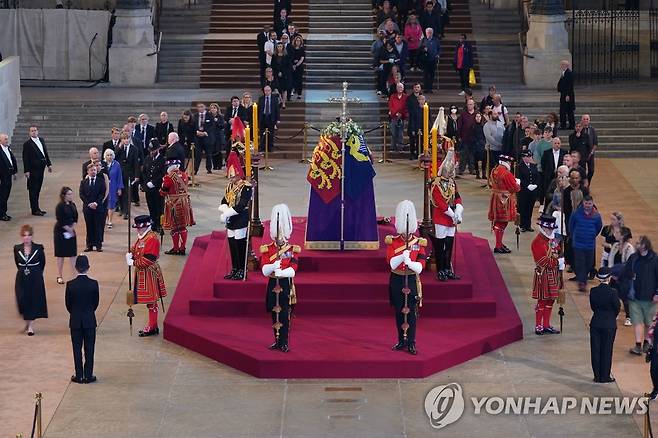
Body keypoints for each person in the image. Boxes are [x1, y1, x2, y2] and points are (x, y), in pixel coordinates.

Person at [386, 200, 427, 355]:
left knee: (411, 313)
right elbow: (390, 263)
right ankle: (401, 340)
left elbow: (421, 265)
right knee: (398, 311)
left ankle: (411, 341)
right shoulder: (393, 241)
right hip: (397, 280)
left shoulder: (418, 243)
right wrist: (401, 258)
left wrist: (410, 262)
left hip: (411, 279)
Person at [260, 204, 299, 352]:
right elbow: (264, 269)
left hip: (285, 284)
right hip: (272, 284)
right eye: (278, 235)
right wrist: (272, 267)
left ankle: (284, 342)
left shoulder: (292, 250)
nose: (280, 237)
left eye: (282, 235)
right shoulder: (267, 249)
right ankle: (276, 340)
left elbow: (294, 269)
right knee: (274, 314)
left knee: (284, 314)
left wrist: (282, 272)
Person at [126, 215, 167, 337]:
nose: (138, 230)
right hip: (142, 273)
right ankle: (153, 326)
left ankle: (152, 326)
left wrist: (133, 262)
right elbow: (135, 249)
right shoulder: (142, 238)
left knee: (152, 301)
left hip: (149, 273)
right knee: (150, 301)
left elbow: (149, 259)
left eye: (140, 227)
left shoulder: (152, 239)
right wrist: (130, 254)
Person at [618, 236, 658, 356]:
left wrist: (657, 293)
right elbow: (625, 272)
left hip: (650, 297)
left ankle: (647, 342)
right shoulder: (634, 258)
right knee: (637, 322)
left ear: (645, 245)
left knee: (648, 322)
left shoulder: (655, 260)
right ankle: (638, 345)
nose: (636, 244)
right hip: (634, 296)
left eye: (639, 243)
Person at [65, 255, 99, 384]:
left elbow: (68, 304)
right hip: (89, 320)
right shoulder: (93, 284)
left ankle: (79, 375)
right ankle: (88, 375)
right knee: (90, 349)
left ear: (76, 268)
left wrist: (75, 313)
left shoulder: (70, 285)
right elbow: (95, 303)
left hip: (75, 321)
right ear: (88, 268)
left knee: (76, 349)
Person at [430, 147, 463, 281]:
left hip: (451, 218)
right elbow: (440, 203)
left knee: (449, 245)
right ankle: (440, 270)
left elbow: (457, 197)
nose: (450, 175)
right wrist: (453, 214)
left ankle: (448, 269)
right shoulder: (435, 184)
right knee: (440, 246)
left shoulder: (452, 183)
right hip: (441, 218)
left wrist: (459, 211)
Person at [219, 158, 252, 280]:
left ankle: (242, 269)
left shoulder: (245, 187)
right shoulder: (229, 186)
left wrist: (227, 213)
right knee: (232, 244)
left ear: (238, 174)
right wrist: (224, 210)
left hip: (241, 218)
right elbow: (224, 201)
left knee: (240, 244)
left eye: (233, 176)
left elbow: (241, 205)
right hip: (231, 219)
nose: (231, 179)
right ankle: (235, 268)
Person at [531, 214, 564, 335]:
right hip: (543, 275)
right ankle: (538, 325)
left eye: (551, 228)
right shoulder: (537, 242)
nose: (550, 230)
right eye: (548, 228)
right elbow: (542, 261)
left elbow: (558, 251)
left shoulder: (552, 240)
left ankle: (546, 325)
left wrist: (563, 260)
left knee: (551, 301)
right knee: (542, 301)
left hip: (554, 274)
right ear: (543, 227)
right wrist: (557, 262)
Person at [14, 224, 48, 336]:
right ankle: (27, 322)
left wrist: (37, 273)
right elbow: (17, 263)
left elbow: (42, 263)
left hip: (35, 277)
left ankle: (30, 326)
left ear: (32, 236)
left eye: (28, 235)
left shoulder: (38, 248)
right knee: (22, 299)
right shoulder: (17, 248)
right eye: (24, 236)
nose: (26, 238)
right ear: (21, 237)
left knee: (33, 300)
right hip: (22, 277)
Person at [589, 267, 619, 383]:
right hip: (609, 324)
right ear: (609, 278)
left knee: (595, 349)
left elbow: (593, 307)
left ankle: (597, 375)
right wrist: (611, 315)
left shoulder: (593, 291)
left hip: (596, 322)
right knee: (607, 349)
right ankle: (605, 376)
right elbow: (617, 308)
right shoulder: (613, 293)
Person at [160, 159, 195, 255]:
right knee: (183, 227)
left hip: (174, 204)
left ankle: (176, 248)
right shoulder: (184, 175)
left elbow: (163, 192)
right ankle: (182, 248)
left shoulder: (168, 178)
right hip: (185, 203)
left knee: (175, 228)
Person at [569, 195, 602, 292]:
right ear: (583, 203)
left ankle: (583, 278)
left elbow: (598, 227)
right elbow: (571, 225)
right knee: (580, 264)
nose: (588, 205)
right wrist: (575, 235)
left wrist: (592, 235)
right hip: (578, 244)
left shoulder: (596, 216)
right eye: (586, 203)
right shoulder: (576, 213)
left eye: (590, 203)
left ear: (592, 203)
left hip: (590, 244)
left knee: (588, 264)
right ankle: (582, 282)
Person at [488, 155, 520, 254]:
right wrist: (518, 184)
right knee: (502, 222)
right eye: (509, 163)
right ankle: (498, 245)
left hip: (496, 198)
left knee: (498, 221)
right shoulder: (506, 173)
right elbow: (514, 188)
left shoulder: (494, 170)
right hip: (504, 200)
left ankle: (499, 243)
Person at [22, 126, 52, 216]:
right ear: (29, 133)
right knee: (33, 190)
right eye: (32, 131)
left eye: (35, 130)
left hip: (41, 169)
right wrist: (26, 170)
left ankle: (37, 208)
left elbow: (45, 153)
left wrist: (49, 164)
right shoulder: (27, 144)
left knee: (38, 189)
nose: (34, 132)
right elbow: (25, 158)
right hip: (33, 170)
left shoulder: (41, 140)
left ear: (37, 131)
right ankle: (34, 210)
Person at [609, 227, 634, 327]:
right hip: (614, 275)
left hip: (624, 277)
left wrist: (619, 275)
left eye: (618, 232)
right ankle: (616, 312)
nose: (615, 234)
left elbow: (629, 264)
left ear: (623, 235)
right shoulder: (615, 246)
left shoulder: (629, 248)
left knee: (625, 298)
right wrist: (611, 273)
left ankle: (629, 317)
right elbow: (611, 260)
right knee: (613, 295)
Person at [79, 163, 107, 252]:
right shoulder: (83, 182)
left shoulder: (100, 181)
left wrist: (95, 203)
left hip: (98, 208)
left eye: (95, 170)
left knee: (98, 226)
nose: (93, 172)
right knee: (89, 226)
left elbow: (102, 194)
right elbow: (82, 195)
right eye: (91, 170)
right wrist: (89, 204)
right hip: (88, 208)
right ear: (88, 172)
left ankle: (98, 245)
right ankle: (89, 245)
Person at [54, 187, 78, 284]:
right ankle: (59, 276)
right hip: (61, 232)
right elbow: (60, 220)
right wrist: (68, 229)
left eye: (71, 194)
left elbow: (76, 217)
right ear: (64, 195)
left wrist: (72, 228)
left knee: (72, 254)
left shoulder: (73, 205)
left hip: (71, 231)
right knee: (61, 255)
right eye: (69, 194)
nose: (71, 196)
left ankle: (75, 275)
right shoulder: (59, 206)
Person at [142, 141, 166, 233]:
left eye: (154, 150)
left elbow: (163, 174)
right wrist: (145, 183)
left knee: (159, 208)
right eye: (151, 150)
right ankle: (153, 223)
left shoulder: (162, 160)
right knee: (151, 207)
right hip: (149, 189)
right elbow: (144, 172)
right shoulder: (147, 158)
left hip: (158, 189)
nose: (152, 152)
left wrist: (154, 182)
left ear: (158, 149)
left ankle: (160, 225)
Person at [116, 132, 140, 219]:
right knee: (120, 193)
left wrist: (137, 175)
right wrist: (119, 147)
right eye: (124, 139)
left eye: (127, 138)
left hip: (129, 174)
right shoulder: (119, 148)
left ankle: (126, 212)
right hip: (120, 175)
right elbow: (115, 157)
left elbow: (136, 163)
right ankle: (121, 209)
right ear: (121, 140)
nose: (126, 140)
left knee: (127, 193)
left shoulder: (134, 149)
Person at [517, 150, 539, 232]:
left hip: (532, 191)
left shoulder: (533, 166)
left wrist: (536, 185)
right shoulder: (519, 167)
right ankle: (522, 225)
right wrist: (527, 185)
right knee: (523, 208)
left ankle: (528, 225)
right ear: (523, 157)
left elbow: (537, 176)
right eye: (527, 156)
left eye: (530, 156)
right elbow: (519, 178)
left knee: (530, 208)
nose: (529, 158)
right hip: (523, 191)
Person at [103, 149, 123, 230]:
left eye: (111, 155)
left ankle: (110, 221)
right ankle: (104, 219)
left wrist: (119, 188)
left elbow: (119, 177)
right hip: (104, 187)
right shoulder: (102, 164)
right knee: (104, 204)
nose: (109, 157)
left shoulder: (117, 164)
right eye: (108, 155)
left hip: (113, 187)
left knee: (111, 204)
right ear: (105, 156)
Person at [0, 133, 18, 221]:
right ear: (0, 141)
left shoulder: (8, 148)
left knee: (6, 195)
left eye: (7, 139)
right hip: (2, 177)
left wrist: (14, 172)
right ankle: (2, 214)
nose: (7, 140)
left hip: (8, 176)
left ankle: (4, 212)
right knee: (2, 196)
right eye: (5, 139)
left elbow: (11, 160)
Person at [457, 99, 477, 175]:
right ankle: (461, 169)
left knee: (472, 155)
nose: (470, 106)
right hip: (464, 138)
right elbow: (459, 126)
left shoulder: (477, 114)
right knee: (463, 154)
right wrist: (459, 136)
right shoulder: (463, 114)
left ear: (474, 105)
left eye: (471, 104)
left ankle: (472, 169)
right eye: (468, 104)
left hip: (474, 139)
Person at [258, 86, 281, 152]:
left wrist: (278, 119)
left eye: (268, 90)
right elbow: (259, 109)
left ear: (271, 91)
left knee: (271, 133)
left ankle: (270, 147)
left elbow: (277, 109)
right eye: (265, 91)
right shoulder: (261, 98)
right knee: (262, 133)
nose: (267, 92)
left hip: (271, 117)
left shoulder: (274, 98)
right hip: (263, 117)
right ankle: (262, 147)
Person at [193, 102, 214, 175]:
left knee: (208, 154)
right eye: (199, 107)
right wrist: (196, 132)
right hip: (197, 137)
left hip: (207, 136)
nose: (200, 108)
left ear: (205, 107)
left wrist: (205, 132)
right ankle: (195, 169)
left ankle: (209, 169)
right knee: (198, 154)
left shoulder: (209, 115)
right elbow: (193, 125)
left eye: (202, 106)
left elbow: (212, 125)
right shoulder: (195, 116)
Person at [388, 82, 408, 152]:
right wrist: (395, 113)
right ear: (396, 88)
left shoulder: (406, 97)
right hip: (394, 117)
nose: (400, 89)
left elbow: (406, 107)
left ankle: (400, 147)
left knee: (400, 133)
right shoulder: (392, 96)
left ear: (403, 88)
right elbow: (390, 106)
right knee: (393, 132)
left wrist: (401, 114)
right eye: (399, 87)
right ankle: (393, 147)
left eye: (401, 87)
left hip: (402, 117)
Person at [419, 27, 440, 93]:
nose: (429, 34)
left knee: (432, 75)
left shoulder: (436, 40)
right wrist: (423, 50)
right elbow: (419, 49)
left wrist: (438, 54)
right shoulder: (423, 40)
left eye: (430, 33)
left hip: (433, 60)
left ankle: (430, 88)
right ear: (426, 33)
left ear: (432, 33)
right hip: (425, 60)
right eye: (428, 33)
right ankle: (425, 88)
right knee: (425, 75)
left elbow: (439, 49)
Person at [557, 60, 575, 130]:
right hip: (564, 94)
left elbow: (570, 85)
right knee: (565, 110)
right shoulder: (564, 72)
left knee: (566, 110)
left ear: (566, 65)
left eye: (562, 65)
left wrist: (568, 95)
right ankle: (566, 125)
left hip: (567, 95)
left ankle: (565, 125)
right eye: (561, 64)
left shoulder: (569, 73)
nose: (561, 66)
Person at [580, 114, 598, 185]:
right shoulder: (579, 129)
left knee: (591, 170)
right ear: (582, 120)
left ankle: (588, 183)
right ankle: (583, 185)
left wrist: (592, 152)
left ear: (589, 120)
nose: (586, 120)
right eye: (584, 119)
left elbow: (595, 142)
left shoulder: (592, 130)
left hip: (590, 153)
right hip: (581, 154)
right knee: (582, 170)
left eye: (587, 119)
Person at [407, 91, 425, 160]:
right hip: (416, 127)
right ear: (418, 100)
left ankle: (420, 154)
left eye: (423, 99)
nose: (422, 101)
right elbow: (412, 119)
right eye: (420, 99)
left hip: (424, 128)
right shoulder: (414, 108)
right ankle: (413, 154)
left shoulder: (426, 108)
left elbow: (429, 119)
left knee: (421, 142)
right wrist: (413, 129)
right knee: (414, 142)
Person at [472, 112, 487, 179]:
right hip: (475, 145)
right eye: (477, 116)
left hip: (483, 145)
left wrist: (483, 142)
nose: (478, 118)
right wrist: (476, 142)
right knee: (476, 160)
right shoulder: (473, 126)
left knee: (484, 160)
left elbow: (485, 135)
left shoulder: (484, 126)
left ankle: (484, 174)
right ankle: (477, 174)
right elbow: (472, 136)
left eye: (479, 116)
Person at [290, 35, 305, 99]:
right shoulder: (292, 48)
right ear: (295, 41)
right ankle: (292, 91)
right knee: (292, 79)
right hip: (292, 66)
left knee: (299, 80)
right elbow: (290, 57)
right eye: (297, 40)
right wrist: (293, 64)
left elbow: (302, 58)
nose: (298, 42)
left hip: (299, 66)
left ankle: (299, 94)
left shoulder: (302, 49)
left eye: (299, 41)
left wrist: (296, 65)